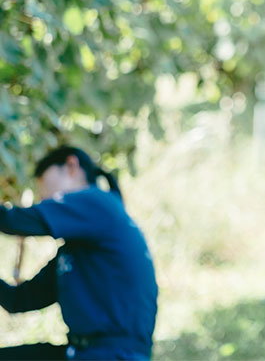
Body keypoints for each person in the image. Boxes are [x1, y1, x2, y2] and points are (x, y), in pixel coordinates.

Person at [0, 146, 158, 360]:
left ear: (71, 166)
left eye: (44, 185)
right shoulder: (79, 250)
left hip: (113, 354)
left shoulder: (97, 202)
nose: (42, 198)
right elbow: (18, 300)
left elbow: (13, 221)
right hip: (82, 352)